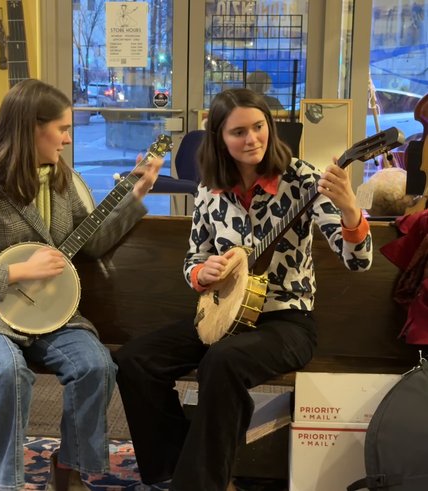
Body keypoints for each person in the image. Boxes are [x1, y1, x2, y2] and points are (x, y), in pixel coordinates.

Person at [114, 88, 373, 491]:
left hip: (287, 321)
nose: (252, 139)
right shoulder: (209, 189)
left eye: (259, 127)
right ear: (219, 138)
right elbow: (192, 259)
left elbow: (358, 260)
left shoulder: (302, 179)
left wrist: (350, 209)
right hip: (223, 316)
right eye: (238, 132)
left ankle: (199, 484)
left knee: (222, 362)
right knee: (135, 360)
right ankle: (172, 466)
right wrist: (204, 272)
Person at [0, 79, 163, 491]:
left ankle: (70, 470)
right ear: (30, 129)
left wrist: (137, 193)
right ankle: (7, 481)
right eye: (62, 129)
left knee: (95, 366)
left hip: (50, 313)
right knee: (7, 371)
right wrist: (18, 272)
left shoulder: (61, 179)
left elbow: (91, 246)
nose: (70, 140)